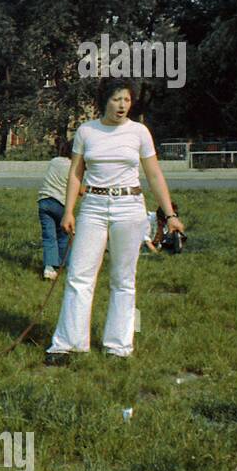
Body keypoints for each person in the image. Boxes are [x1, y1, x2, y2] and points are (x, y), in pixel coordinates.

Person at [44, 78, 186, 364]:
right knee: (79, 275)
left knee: (123, 279)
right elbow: (75, 174)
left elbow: (154, 174)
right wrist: (69, 211)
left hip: (129, 207)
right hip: (94, 206)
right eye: (116, 99)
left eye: (127, 100)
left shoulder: (139, 133)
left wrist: (169, 214)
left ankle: (118, 347)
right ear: (103, 101)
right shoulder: (87, 131)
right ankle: (67, 344)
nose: (122, 106)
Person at [37, 138, 73, 279]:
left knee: (49, 237)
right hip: (60, 203)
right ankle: (67, 264)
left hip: (44, 201)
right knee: (64, 236)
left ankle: (49, 267)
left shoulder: (54, 161)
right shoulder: (73, 167)